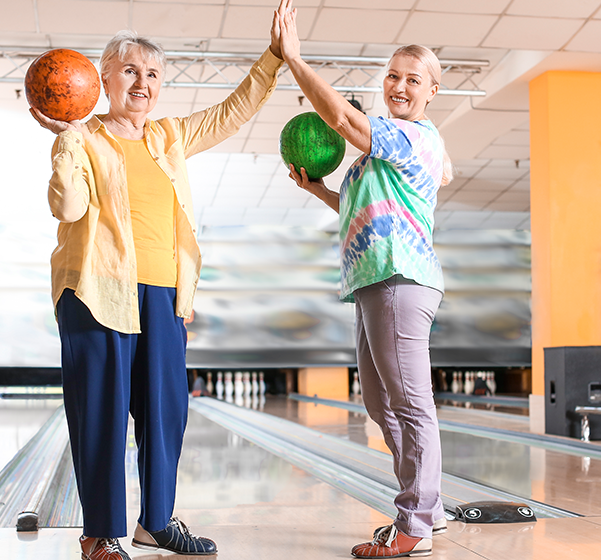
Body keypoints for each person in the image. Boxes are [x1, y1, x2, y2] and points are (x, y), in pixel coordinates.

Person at [30, 7, 285, 558]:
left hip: (164, 298)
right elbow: (68, 206)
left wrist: (274, 57)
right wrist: (70, 140)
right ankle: (99, 532)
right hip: (97, 294)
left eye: (152, 75)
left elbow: (230, 113)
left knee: (167, 412)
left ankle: (156, 522)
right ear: (103, 78)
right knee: (100, 414)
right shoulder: (85, 139)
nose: (141, 83)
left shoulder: (169, 136)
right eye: (129, 71)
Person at [275, 1, 453, 557]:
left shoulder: (414, 138)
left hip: (400, 280)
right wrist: (319, 192)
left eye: (413, 79)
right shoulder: (382, 155)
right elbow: (362, 209)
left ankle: (415, 524)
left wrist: (297, 62)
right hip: (373, 283)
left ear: (430, 92)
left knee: (410, 403)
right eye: (394, 75)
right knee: (380, 404)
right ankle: (428, 509)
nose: (400, 85)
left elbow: (347, 122)